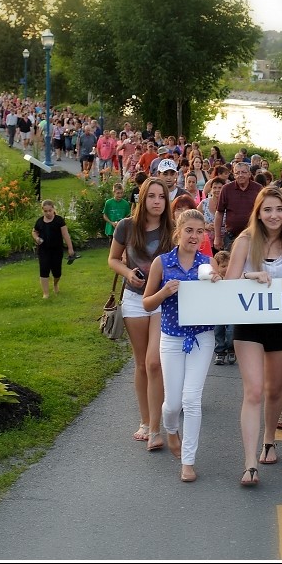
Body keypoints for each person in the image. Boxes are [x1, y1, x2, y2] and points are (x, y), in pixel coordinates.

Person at [224, 187, 282, 486]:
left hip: (281, 324)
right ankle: (248, 463)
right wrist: (250, 276)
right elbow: (230, 281)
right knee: (254, 391)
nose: (273, 215)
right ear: (258, 212)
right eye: (267, 209)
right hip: (248, 323)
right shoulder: (246, 241)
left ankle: (269, 439)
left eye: (279, 209)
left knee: (274, 391)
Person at [141, 208, 222, 483]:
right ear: (178, 232)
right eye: (189, 230)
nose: (194, 236)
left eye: (200, 232)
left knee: (191, 399)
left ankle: (188, 461)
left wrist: (217, 284)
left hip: (201, 337)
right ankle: (171, 429)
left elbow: (219, 303)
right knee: (172, 403)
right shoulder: (162, 263)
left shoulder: (208, 263)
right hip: (172, 337)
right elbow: (146, 302)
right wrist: (164, 291)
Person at [108, 177, 174, 451]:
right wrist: (128, 274)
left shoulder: (172, 230)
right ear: (143, 198)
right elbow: (113, 259)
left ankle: (157, 427)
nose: (157, 201)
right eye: (152, 196)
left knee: (154, 362)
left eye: (161, 197)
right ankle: (145, 421)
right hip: (134, 300)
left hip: (162, 301)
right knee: (141, 363)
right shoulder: (126, 226)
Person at [214, 162, 262, 253]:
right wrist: (217, 237)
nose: (240, 175)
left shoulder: (258, 189)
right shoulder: (226, 189)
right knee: (230, 264)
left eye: (243, 172)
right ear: (234, 175)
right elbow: (219, 213)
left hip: (254, 236)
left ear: (249, 174)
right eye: (237, 173)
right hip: (231, 237)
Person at [32, 200, 75, 299]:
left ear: (53, 209)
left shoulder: (59, 220)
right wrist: (37, 238)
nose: (48, 213)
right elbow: (34, 232)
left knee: (57, 272)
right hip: (43, 250)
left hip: (56, 250)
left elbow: (65, 234)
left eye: (50, 210)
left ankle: (55, 284)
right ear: (42, 210)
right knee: (44, 270)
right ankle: (46, 293)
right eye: (45, 211)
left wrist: (70, 248)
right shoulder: (39, 222)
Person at [211, 250, 235, 366]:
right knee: (218, 331)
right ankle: (220, 352)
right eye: (223, 266)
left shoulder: (235, 278)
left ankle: (231, 349)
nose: (226, 269)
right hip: (218, 310)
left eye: (228, 266)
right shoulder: (214, 279)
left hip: (231, 310)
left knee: (231, 332)